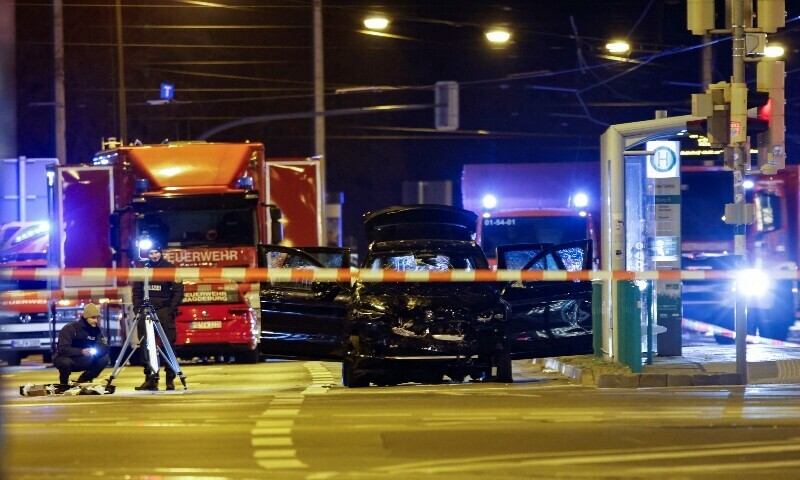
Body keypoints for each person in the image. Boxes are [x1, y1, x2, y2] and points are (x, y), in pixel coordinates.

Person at [131, 242, 184, 391]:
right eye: (151, 253)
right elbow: (136, 292)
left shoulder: (170, 269)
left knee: (168, 345)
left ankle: (170, 379)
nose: (154, 256)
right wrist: (138, 309)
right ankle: (150, 378)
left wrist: (170, 309)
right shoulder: (143, 270)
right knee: (146, 346)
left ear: (161, 253)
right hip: (145, 312)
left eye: (156, 252)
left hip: (163, 311)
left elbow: (179, 291)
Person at [53, 302, 110, 388]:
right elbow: (62, 349)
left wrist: (96, 350)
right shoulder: (70, 328)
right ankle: (63, 383)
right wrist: (81, 351)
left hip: (85, 359)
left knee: (105, 359)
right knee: (65, 362)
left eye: (97, 318)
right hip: (69, 359)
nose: (96, 321)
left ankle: (84, 380)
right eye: (93, 318)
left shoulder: (96, 331)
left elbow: (104, 347)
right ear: (86, 317)